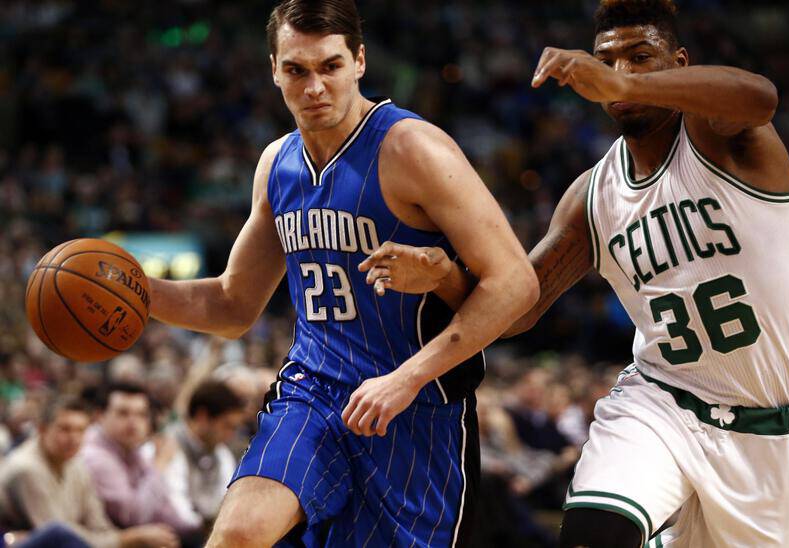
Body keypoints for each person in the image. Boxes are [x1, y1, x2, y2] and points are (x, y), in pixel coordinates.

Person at [358, 1, 789, 546]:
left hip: (776, 430)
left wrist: (619, 81)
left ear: (679, 61)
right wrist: (442, 274)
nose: (621, 71)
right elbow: (518, 306)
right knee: (592, 533)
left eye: (640, 56)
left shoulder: (723, 139)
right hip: (665, 401)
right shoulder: (592, 196)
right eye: (608, 60)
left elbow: (761, 96)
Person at [146, 1, 538, 546]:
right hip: (314, 392)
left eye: (329, 67)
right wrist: (136, 292)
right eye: (296, 70)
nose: (314, 88)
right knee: (237, 534)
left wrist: (409, 377)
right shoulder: (276, 164)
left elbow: (517, 282)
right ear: (273, 70)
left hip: (416, 412)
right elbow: (232, 305)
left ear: (359, 61)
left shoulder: (413, 148)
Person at [0, 395, 179, 548]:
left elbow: (98, 525)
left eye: (80, 430)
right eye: (65, 429)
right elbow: (60, 537)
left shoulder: (76, 463)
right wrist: (131, 538)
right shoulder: (26, 469)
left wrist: (125, 540)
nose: (74, 438)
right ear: (42, 429)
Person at [80, 384, 193, 539]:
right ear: (100, 415)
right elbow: (134, 516)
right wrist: (159, 464)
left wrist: (192, 531)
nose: (133, 422)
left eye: (142, 415)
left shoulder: (132, 450)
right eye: (123, 413)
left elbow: (162, 508)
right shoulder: (95, 456)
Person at [158, 380, 243, 535]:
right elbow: (177, 512)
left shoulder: (221, 453)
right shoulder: (169, 446)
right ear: (202, 416)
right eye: (227, 425)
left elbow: (227, 501)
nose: (231, 435)